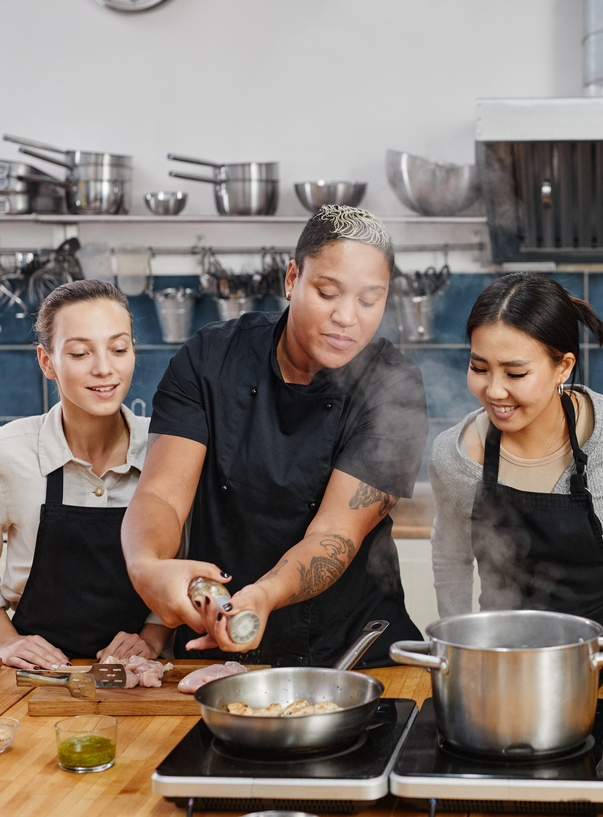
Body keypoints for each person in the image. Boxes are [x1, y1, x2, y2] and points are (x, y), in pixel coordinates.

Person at [121, 205, 428, 667]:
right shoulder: (210, 360)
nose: (347, 317)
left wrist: (263, 595)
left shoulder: (393, 386)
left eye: (369, 300)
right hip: (222, 644)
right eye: (327, 292)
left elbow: (333, 535)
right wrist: (147, 566)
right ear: (291, 279)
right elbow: (161, 496)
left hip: (353, 652)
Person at [429, 273, 603, 656]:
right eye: (479, 368)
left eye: (516, 373)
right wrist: (457, 652)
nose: (493, 390)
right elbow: (450, 555)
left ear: (564, 367)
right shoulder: (454, 456)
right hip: (505, 662)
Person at [0, 280, 165, 669]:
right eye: (81, 353)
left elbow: (189, 557)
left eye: (119, 349)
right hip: (38, 677)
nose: (104, 368)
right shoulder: (4, 455)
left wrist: (152, 637)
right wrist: (5, 640)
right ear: (47, 362)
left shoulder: (166, 451)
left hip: (147, 674)